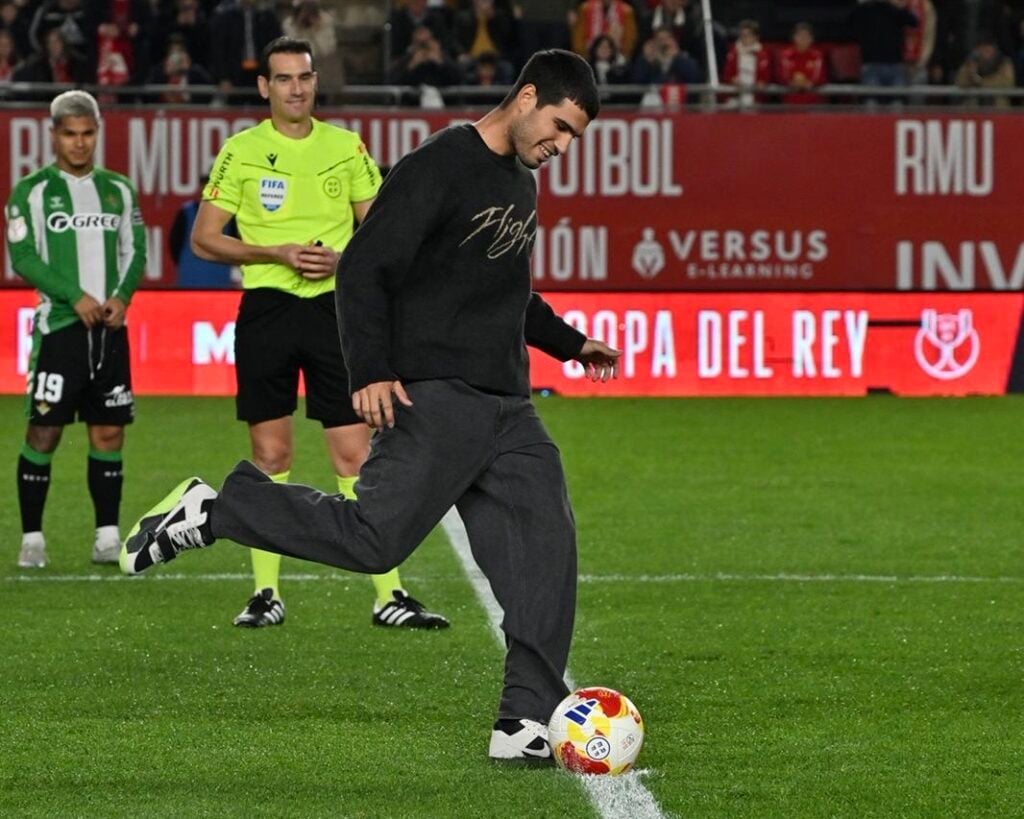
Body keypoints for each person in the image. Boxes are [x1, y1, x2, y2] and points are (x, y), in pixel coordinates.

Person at [122, 48, 620, 761]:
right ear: (527, 95)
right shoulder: (437, 165)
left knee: (549, 547)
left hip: (508, 408)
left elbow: (510, 295)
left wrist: (573, 345)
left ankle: (525, 720)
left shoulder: (520, 182)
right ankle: (220, 508)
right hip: (436, 396)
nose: (562, 145)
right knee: (373, 538)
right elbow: (363, 267)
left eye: (574, 136)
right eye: (561, 126)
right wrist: (372, 370)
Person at [187, 36, 448, 631]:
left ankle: (389, 594)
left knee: (355, 454)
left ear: (313, 81)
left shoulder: (344, 145)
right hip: (268, 309)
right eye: (283, 79)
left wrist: (344, 262)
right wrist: (273, 251)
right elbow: (205, 237)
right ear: (265, 87)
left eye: (303, 77)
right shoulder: (242, 151)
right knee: (270, 454)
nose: (296, 88)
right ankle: (264, 593)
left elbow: (380, 233)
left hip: (335, 313)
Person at [5, 90, 146, 568]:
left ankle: (107, 536)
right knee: (44, 431)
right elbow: (23, 257)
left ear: (97, 133)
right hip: (60, 329)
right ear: (54, 136)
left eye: (88, 134)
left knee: (109, 433)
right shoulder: (32, 193)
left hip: (110, 331)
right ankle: (32, 539)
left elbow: (135, 250)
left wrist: (122, 296)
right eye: (70, 134)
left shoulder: (120, 190)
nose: (80, 144)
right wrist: (74, 295)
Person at [777, 22, 826, 105]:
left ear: (811, 39)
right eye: (799, 36)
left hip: (813, 103)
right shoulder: (785, 55)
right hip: (789, 102)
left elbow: (820, 77)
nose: (803, 39)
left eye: (806, 36)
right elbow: (782, 76)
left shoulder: (818, 56)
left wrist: (807, 83)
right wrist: (793, 83)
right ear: (794, 37)